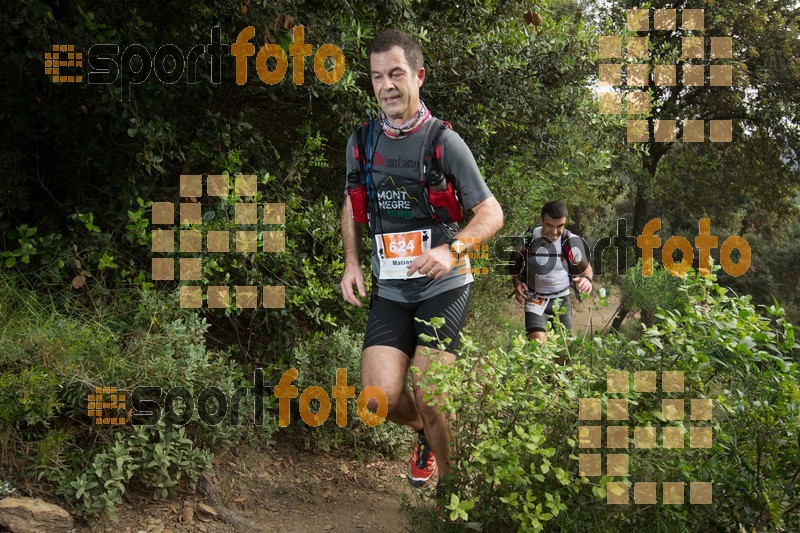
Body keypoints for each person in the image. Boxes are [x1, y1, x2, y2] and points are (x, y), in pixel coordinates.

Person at [340, 29, 503, 487]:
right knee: (377, 400)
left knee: (433, 397)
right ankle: (426, 435)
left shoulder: (443, 141)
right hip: (390, 288)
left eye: (395, 73)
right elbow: (352, 204)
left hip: (443, 286)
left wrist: (453, 250)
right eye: (377, 76)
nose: (386, 85)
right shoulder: (362, 142)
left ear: (418, 76)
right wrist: (352, 263)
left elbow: (492, 212)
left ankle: (452, 494)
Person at [512, 201, 592, 344]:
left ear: (565, 223)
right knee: (537, 347)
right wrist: (517, 283)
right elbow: (514, 265)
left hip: (562, 300)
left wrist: (587, 280)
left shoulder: (571, 241)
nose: (555, 232)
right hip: (534, 298)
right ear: (542, 220)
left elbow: (587, 270)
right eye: (549, 225)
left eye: (560, 226)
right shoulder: (527, 238)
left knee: (563, 353)